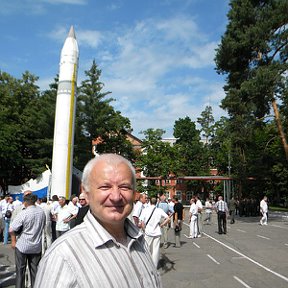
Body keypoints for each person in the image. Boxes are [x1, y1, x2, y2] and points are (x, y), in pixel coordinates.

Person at [34, 154, 162, 288]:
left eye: (124, 187)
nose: (116, 196)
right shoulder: (63, 256)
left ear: (134, 193)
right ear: (86, 193)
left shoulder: (139, 241)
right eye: (105, 187)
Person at [9, 193, 46, 288]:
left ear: (25, 202)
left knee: (20, 271)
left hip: (23, 245)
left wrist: (13, 241)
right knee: (35, 271)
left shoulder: (24, 213)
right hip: (36, 245)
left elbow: (12, 228)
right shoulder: (41, 212)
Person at [140, 197, 170, 267]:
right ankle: (154, 265)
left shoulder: (145, 210)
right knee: (155, 250)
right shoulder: (159, 210)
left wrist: (144, 229)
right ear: (157, 202)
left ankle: (147, 264)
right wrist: (162, 224)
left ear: (150, 202)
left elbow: (142, 222)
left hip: (148, 232)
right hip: (157, 232)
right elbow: (168, 218)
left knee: (146, 249)